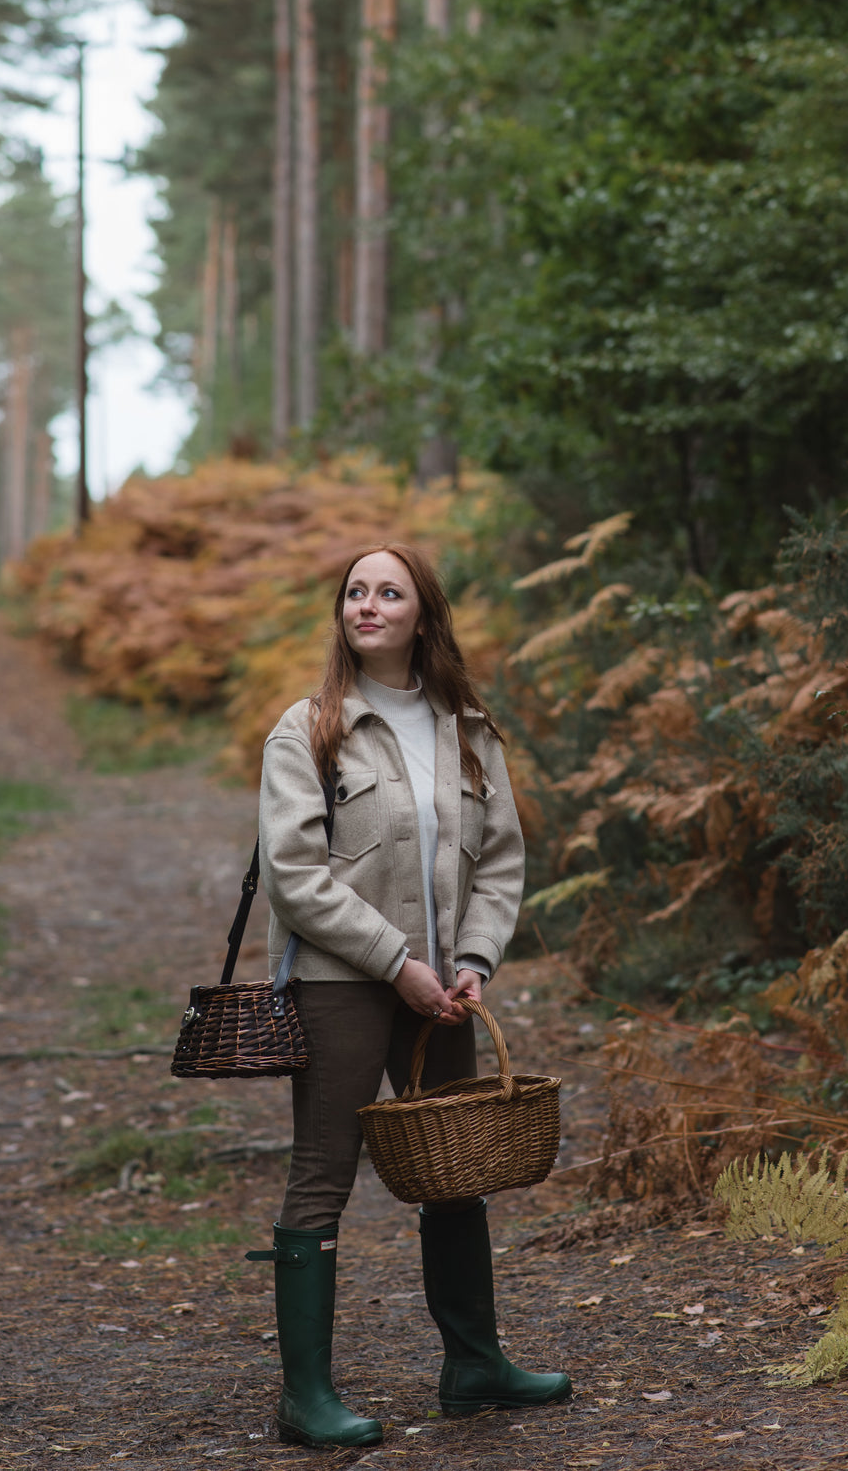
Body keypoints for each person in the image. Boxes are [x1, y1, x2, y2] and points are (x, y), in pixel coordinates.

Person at [248, 543, 572, 1450]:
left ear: (421, 614)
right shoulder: (308, 730)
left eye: (388, 592)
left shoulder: (467, 727)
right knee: (323, 1175)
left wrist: (473, 958)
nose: (367, 605)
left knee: (454, 1169)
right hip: (341, 984)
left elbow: (500, 857)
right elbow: (293, 877)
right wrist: (398, 963)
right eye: (355, 592)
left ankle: (475, 1367)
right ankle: (306, 1398)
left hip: (442, 993)